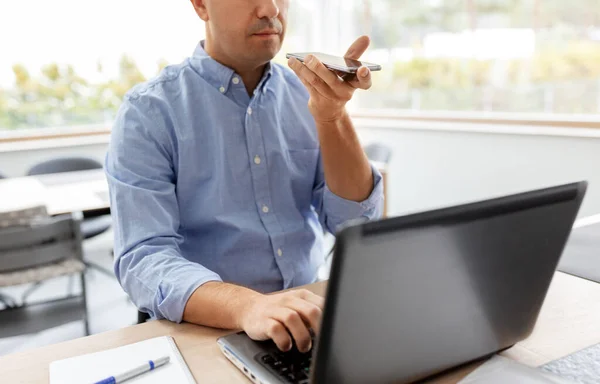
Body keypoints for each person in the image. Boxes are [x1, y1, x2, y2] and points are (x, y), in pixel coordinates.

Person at [105, 0, 383, 354]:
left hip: (308, 317)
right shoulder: (148, 112)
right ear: (201, 5)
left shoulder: (306, 96)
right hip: (204, 334)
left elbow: (354, 226)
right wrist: (248, 306)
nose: (270, 9)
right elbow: (143, 258)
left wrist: (333, 117)